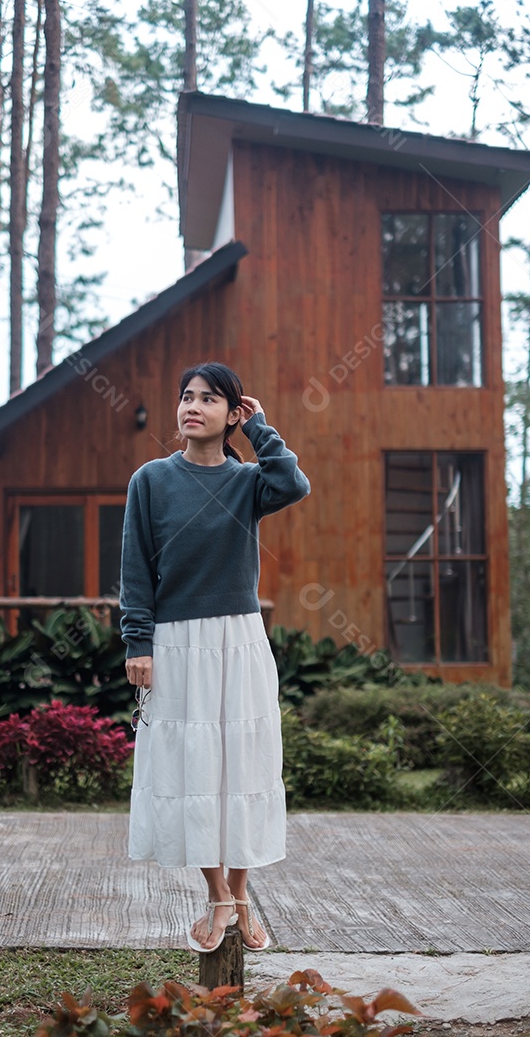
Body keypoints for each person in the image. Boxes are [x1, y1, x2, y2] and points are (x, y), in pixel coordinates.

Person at [119, 361, 310, 953]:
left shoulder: (248, 481)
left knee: (244, 765)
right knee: (194, 766)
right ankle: (217, 894)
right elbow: (135, 570)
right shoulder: (150, 480)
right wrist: (138, 644)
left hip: (240, 640)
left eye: (208, 399)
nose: (191, 407)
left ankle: (242, 892)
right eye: (185, 397)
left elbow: (293, 484)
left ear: (232, 414)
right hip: (177, 643)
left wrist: (262, 430)